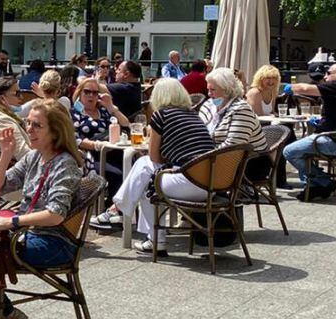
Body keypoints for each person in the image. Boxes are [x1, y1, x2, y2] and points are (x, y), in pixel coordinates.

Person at [0, 100, 83, 319]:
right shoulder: (34, 157)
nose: (28, 129)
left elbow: (56, 214)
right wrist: (5, 153)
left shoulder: (65, 164)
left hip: (53, 241)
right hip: (30, 234)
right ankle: (3, 314)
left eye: (37, 125)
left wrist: (12, 222)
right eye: (28, 123)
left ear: (56, 132)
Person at [104, 79, 214, 253]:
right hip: (210, 184)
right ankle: (122, 214)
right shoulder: (193, 115)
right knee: (147, 176)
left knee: (145, 169)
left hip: (188, 182)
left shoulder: (161, 115)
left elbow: (154, 157)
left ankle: (119, 212)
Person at [281, 62, 336, 200]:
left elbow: (304, 88)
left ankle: (323, 182)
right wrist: (321, 122)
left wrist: (287, 87)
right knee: (302, 148)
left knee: (289, 151)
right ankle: (314, 185)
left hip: (335, 142)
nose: (325, 77)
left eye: (329, 73)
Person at [204, 67, 268, 179]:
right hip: (215, 157)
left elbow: (234, 146)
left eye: (213, 90)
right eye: (208, 89)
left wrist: (202, 157)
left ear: (226, 90)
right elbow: (198, 132)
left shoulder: (241, 109)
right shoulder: (208, 105)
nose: (209, 94)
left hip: (247, 163)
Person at [70, 77, 131, 184]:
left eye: (95, 93)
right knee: (117, 175)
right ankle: (113, 201)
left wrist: (111, 107)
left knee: (132, 170)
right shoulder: (74, 113)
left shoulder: (103, 111)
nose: (91, 95)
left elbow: (126, 124)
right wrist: (97, 145)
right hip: (91, 156)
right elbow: (75, 139)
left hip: (113, 152)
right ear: (79, 93)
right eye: (87, 92)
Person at [246, 64, 296, 187]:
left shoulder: (272, 92)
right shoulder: (254, 92)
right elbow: (257, 115)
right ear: (260, 78)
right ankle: (280, 179)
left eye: (274, 78)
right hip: (256, 129)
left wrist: (278, 116)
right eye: (267, 78)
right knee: (285, 138)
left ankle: (280, 178)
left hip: (268, 126)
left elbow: (271, 112)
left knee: (287, 134)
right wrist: (274, 117)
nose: (271, 81)